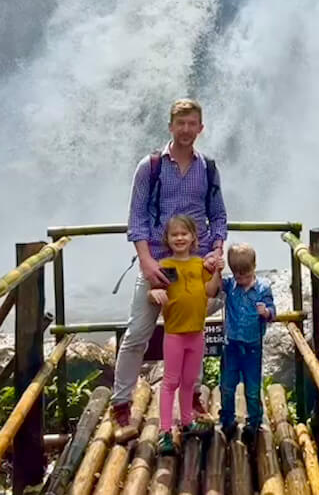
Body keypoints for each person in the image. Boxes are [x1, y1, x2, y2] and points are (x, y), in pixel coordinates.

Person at [111, 98, 227, 428]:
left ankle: (192, 400)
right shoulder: (151, 167)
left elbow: (218, 216)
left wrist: (216, 249)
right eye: (181, 123)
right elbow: (136, 219)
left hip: (197, 263)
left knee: (194, 331)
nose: (187, 130)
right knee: (137, 333)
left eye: (193, 124)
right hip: (159, 263)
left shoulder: (209, 169)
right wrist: (146, 261)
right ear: (171, 126)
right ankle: (121, 402)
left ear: (200, 128)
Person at [149, 215, 222, 454]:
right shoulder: (166, 266)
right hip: (175, 334)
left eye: (184, 234)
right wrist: (154, 295)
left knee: (189, 381)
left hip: (196, 334)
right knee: (170, 382)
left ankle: (188, 421)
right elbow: (156, 292)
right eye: (174, 235)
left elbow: (211, 291)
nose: (179, 238)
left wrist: (217, 272)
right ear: (168, 239)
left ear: (193, 238)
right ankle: (165, 431)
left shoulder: (200, 264)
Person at [220, 243, 276, 447]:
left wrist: (267, 313)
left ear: (254, 266)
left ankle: (254, 422)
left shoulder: (263, 288)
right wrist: (215, 266)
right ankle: (227, 419)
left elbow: (272, 312)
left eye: (245, 274)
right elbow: (213, 286)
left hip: (253, 347)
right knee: (227, 385)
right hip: (232, 345)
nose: (241, 279)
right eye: (237, 275)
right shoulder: (229, 285)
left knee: (252, 388)